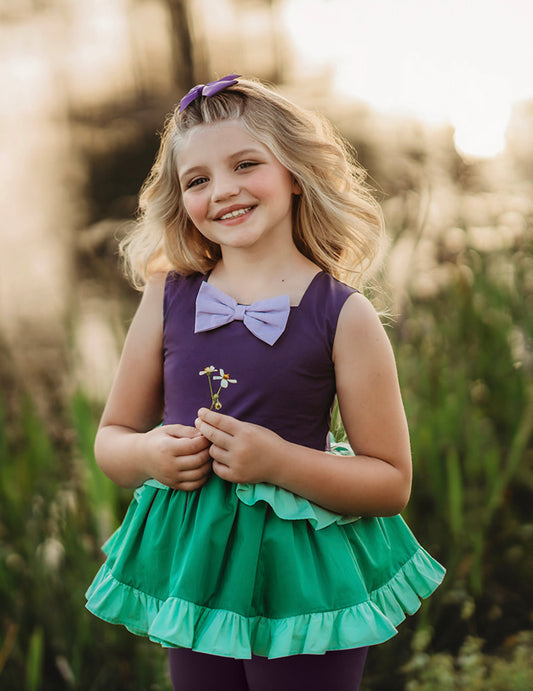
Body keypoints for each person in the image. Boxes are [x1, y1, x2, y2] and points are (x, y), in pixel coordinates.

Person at [85, 74, 445, 691]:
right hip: (195, 570)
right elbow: (111, 441)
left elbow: (390, 482)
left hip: (302, 575)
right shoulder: (167, 297)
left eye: (245, 164)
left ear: (295, 171)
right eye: (197, 180)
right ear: (180, 198)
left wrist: (278, 462)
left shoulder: (342, 315)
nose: (223, 190)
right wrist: (149, 453)